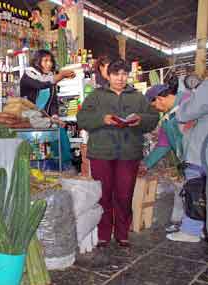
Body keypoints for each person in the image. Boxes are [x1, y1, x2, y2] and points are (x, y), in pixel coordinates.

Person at [77, 59, 159, 247]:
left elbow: (153, 118)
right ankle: (104, 233)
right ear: (109, 75)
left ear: (128, 75)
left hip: (129, 153)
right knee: (103, 194)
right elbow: (82, 119)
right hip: (101, 153)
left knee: (124, 194)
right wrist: (102, 118)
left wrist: (140, 119)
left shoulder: (138, 97)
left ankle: (122, 233)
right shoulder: (96, 96)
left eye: (124, 74)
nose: (120, 78)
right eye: (116, 74)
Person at [141, 77, 189, 233]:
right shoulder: (167, 118)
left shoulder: (189, 103)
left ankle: (193, 228)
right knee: (188, 191)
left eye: (154, 105)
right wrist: (146, 165)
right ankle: (186, 224)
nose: (156, 109)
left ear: (160, 99)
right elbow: (163, 145)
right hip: (188, 162)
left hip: (201, 157)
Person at [165, 78, 208, 243]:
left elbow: (192, 110)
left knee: (195, 187)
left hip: (202, 150)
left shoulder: (185, 101)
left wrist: (180, 112)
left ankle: (192, 230)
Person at [20, 49, 75, 168]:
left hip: (45, 120)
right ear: (36, 62)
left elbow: (53, 102)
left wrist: (55, 116)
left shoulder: (50, 77)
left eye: (50, 61)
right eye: (45, 60)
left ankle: (61, 168)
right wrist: (60, 76)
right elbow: (40, 84)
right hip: (29, 121)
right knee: (35, 154)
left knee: (58, 134)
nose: (49, 64)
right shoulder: (29, 74)